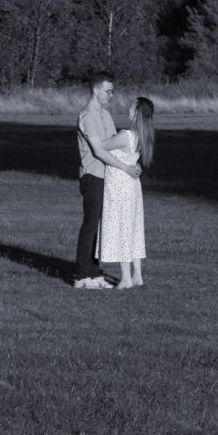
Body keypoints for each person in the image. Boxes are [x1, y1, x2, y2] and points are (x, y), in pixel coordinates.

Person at [74, 71, 141, 290]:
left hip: (108, 177)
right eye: (108, 91)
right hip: (93, 175)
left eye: (112, 92)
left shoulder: (105, 115)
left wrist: (134, 162)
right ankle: (82, 275)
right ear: (96, 90)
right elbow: (99, 151)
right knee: (91, 224)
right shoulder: (87, 116)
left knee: (100, 226)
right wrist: (126, 168)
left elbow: (116, 146)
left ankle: (94, 273)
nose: (111, 96)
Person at [96, 97, 155, 289]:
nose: (127, 108)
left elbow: (101, 146)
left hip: (120, 186)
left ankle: (126, 278)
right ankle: (137, 275)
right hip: (132, 186)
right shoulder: (143, 136)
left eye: (131, 106)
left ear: (137, 112)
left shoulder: (126, 135)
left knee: (122, 229)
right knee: (134, 230)